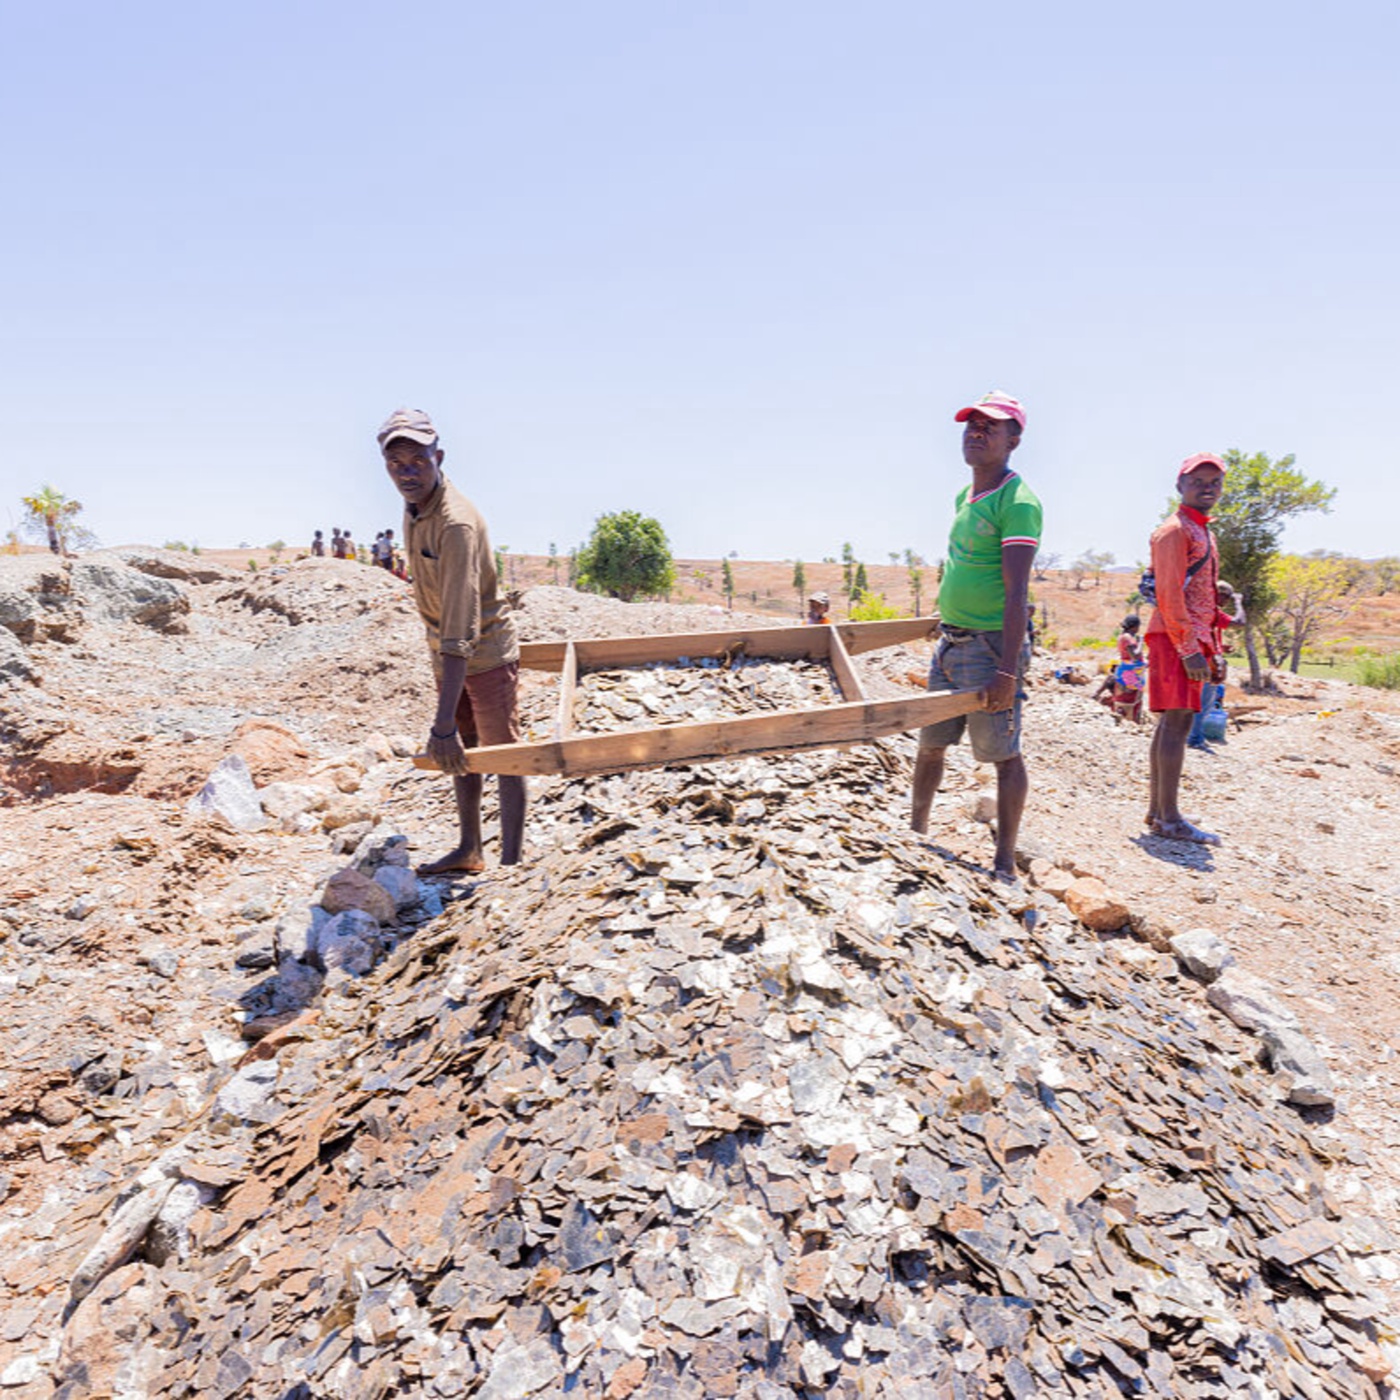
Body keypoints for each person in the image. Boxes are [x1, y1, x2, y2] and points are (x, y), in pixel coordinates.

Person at [378, 407, 525, 873]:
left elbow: (463, 622)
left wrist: (438, 719)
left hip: (482, 653)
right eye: (396, 463)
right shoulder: (415, 507)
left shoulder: (455, 522)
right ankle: (470, 849)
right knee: (461, 748)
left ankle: (512, 866)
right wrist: (446, 721)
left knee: (504, 756)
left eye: (417, 461)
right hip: (448, 652)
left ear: (438, 456)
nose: (407, 472)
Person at [912, 391, 1042, 884]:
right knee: (931, 743)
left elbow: (1016, 595)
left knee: (1002, 753)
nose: (977, 432)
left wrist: (1008, 671)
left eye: (992, 427)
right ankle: (916, 832)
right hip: (951, 642)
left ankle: (1004, 861)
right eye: (972, 424)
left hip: (990, 647)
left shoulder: (1019, 502)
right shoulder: (963, 497)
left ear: (1014, 440)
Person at [1145, 453, 1227, 842]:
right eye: (1199, 481)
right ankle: (1170, 819)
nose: (1208, 488)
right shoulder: (1174, 531)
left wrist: (1214, 643)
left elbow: (1201, 597)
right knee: (1177, 724)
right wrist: (1189, 648)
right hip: (1176, 639)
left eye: (1215, 482)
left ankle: (1158, 812)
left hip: (1190, 638)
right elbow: (1168, 595)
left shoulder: (1203, 531)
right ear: (1180, 485)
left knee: (1172, 724)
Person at [1188, 581, 1244, 749]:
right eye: (1226, 596)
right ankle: (1194, 739)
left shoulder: (1204, 612)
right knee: (1203, 703)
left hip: (1202, 660)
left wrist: (1220, 648)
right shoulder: (1212, 612)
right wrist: (1238, 602)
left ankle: (1192, 735)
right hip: (1206, 664)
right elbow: (1239, 622)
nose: (1227, 601)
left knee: (1202, 702)